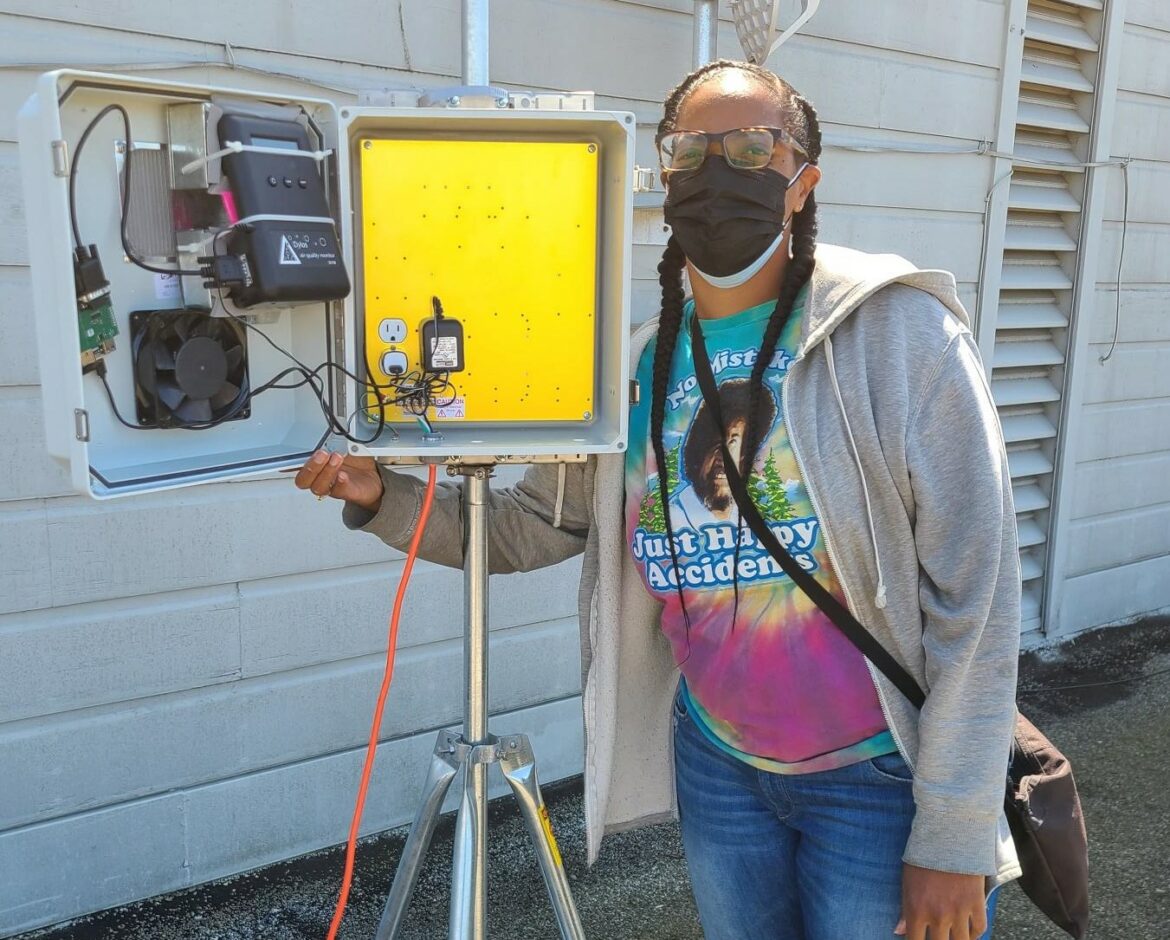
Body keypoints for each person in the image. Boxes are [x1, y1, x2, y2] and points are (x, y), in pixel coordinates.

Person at [296, 59, 1022, 940]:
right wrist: (385, 499)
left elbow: (978, 603)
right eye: (691, 153)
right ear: (664, 177)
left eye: (755, 147)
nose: (721, 172)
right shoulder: (634, 365)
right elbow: (531, 527)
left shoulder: (897, 335)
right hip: (721, 769)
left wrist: (952, 837)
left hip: (877, 780)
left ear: (802, 184)